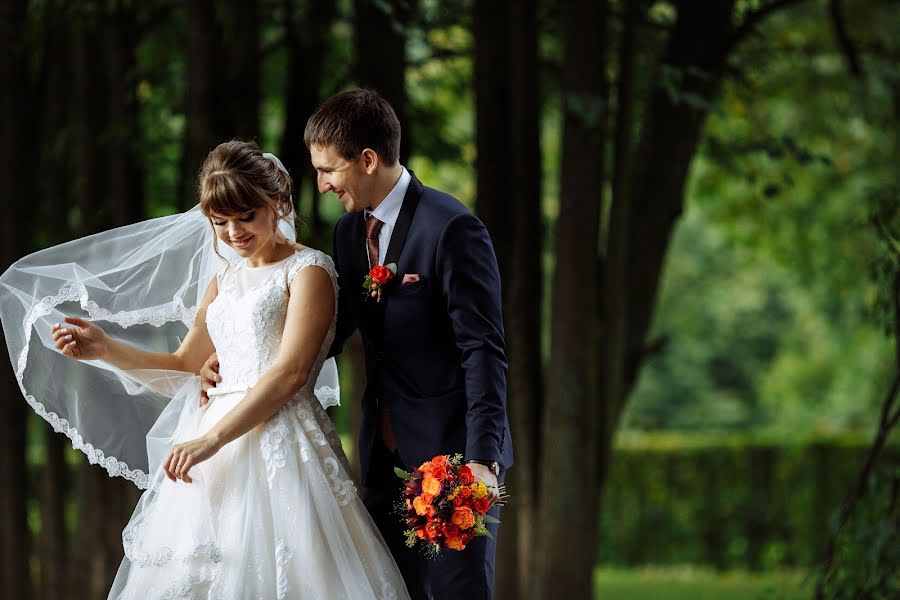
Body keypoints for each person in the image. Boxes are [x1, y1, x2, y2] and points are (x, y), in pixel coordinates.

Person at [3, 140, 409, 599]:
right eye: (220, 222)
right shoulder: (225, 279)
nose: (233, 232)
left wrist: (209, 440)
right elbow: (182, 365)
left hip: (281, 443)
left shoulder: (308, 271)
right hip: (211, 455)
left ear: (276, 203)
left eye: (245, 216)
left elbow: (291, 373)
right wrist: (105, 349)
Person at [309, 88, 515, 599]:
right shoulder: (346, 233)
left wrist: (482, 461)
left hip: (452, 460)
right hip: (381, 456)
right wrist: (253, 369)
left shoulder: (452, 228)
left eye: (328, 170)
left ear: (368, 159)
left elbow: (483, 350)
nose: (321, 185)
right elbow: (337, 331)